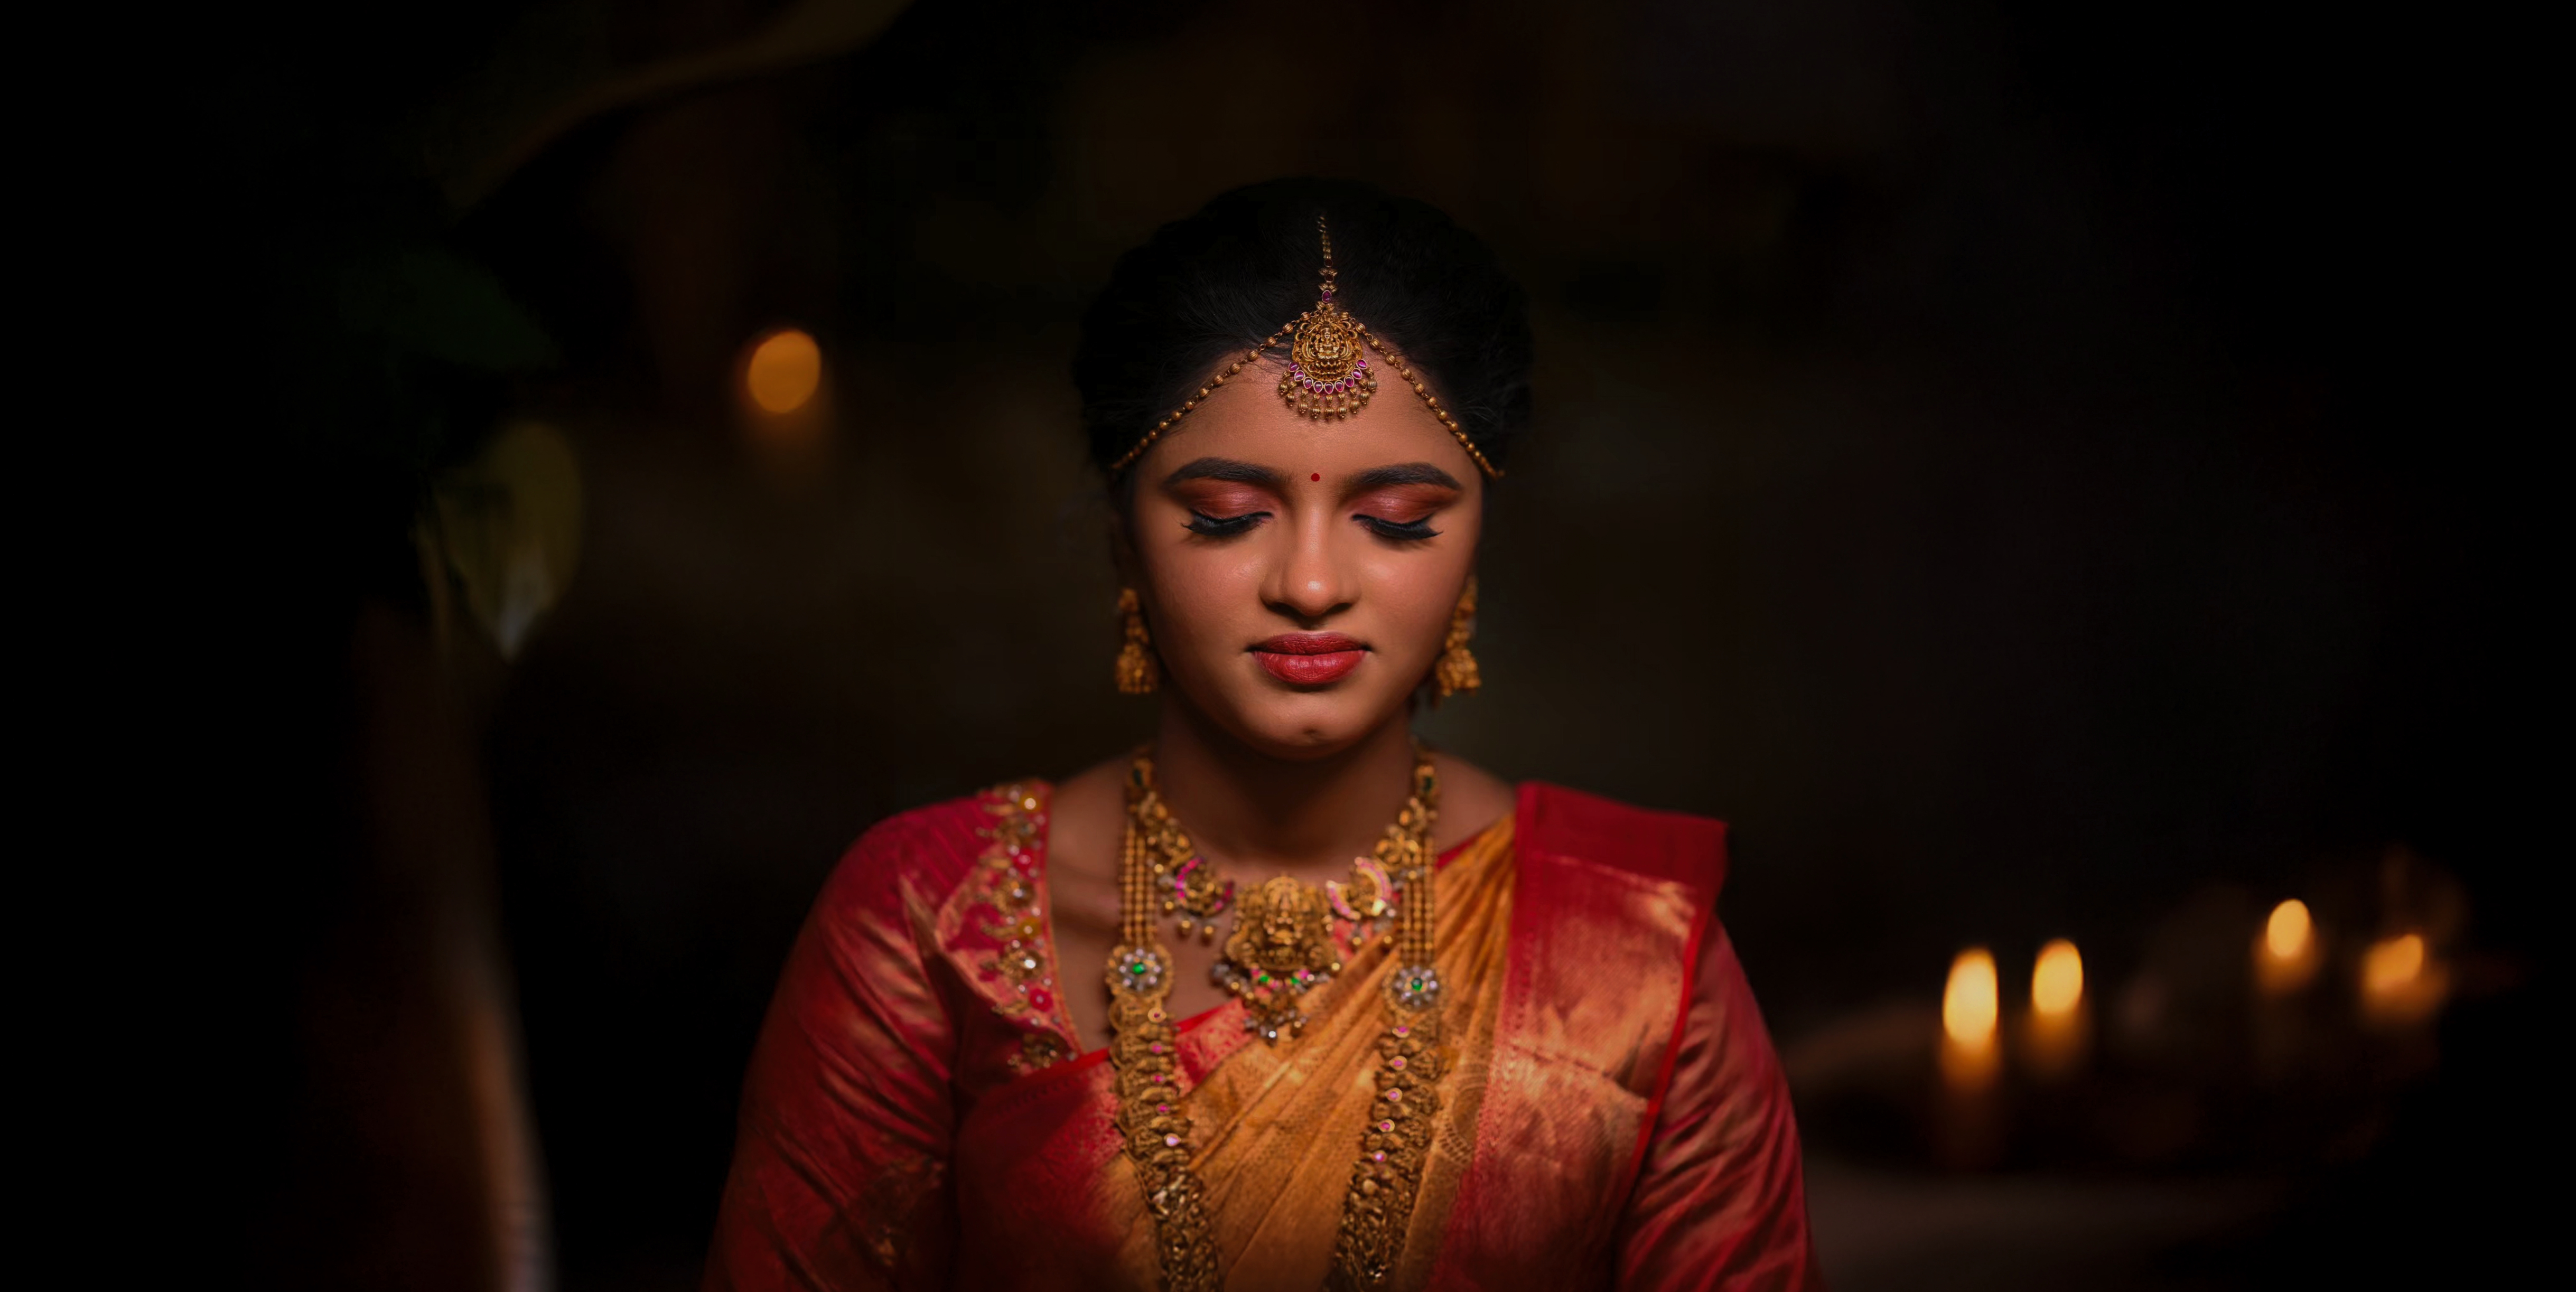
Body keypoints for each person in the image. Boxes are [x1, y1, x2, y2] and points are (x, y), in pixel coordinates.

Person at [705, 179, 1823, 1290]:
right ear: (1120, 539)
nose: (1311, 582)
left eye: (1396, 521)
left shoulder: (1633, 941)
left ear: (1475, 539)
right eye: (1226, 517)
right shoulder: (927, 919)